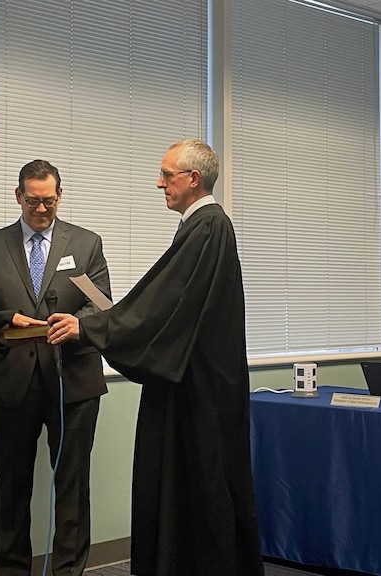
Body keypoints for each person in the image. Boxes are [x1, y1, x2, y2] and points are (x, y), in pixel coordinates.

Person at [47, 139, 265, 576]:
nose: (159, 183)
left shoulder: (207, 226)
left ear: (193, 179)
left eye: (167, 175)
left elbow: (163, 303)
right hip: (193, 380)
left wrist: (90, 327)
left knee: (202, 487)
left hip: (200, 387)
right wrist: (109, 324)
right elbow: (163, 301)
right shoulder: (201, 226)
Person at [0, 159, 111, 576]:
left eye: (49, 201)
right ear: (18, 196)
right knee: (11, 487)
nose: (41, 209)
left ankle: (68, 569)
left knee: (71, 485)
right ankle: (12, 568)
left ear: (60, 196)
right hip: (12, 383)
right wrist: (4, 319)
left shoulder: (86, 244)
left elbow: (102, 306)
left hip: (74, 381)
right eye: (33, 201)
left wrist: (78, 323)